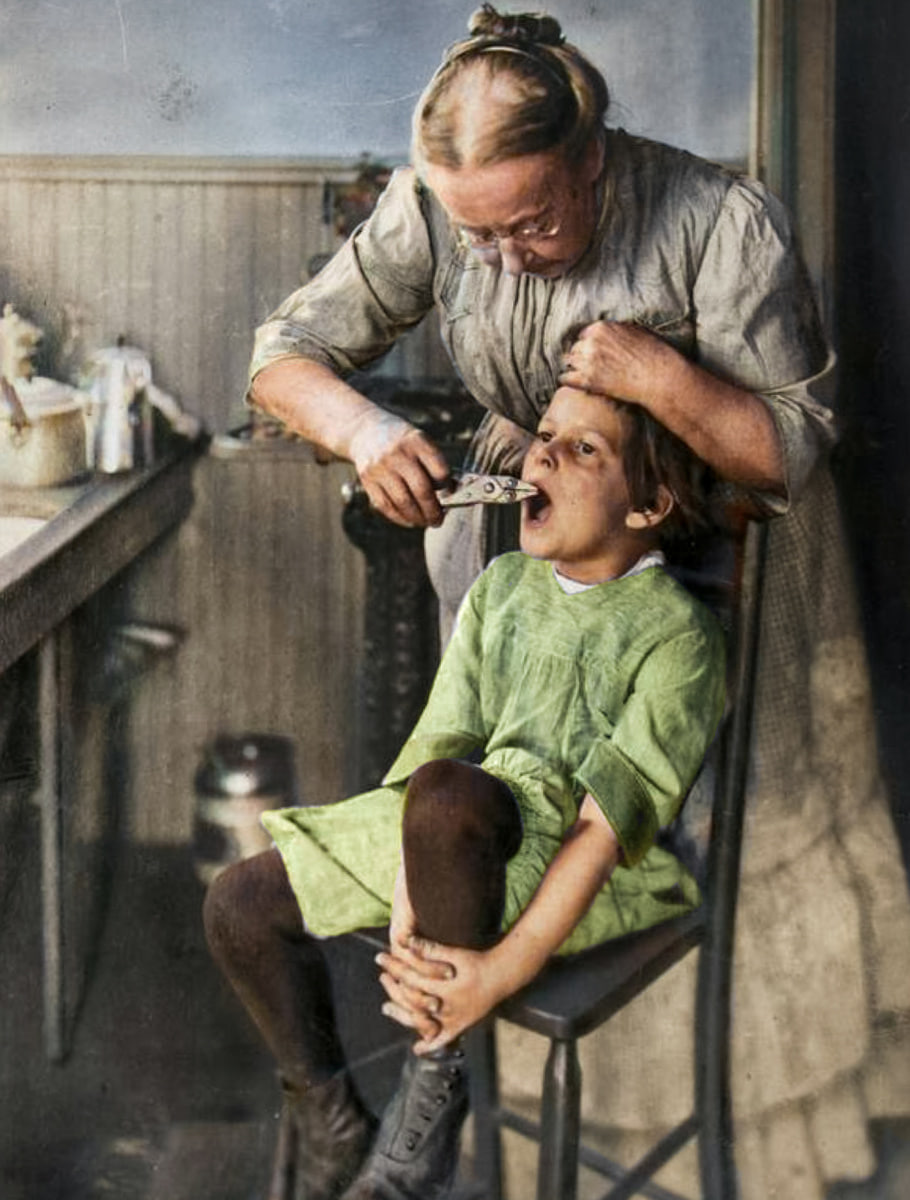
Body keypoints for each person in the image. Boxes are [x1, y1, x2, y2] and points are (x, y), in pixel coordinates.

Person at [245, 7, 910, 1197]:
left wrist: (659, 376)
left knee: (653, 841)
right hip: (535, 553)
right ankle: (451, 1116)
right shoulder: (439, 206)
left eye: (534, 220)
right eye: (474, 234)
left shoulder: (718, 222)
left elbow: (793, 458)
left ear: (593, 156)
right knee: (475, 807)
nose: (497, 258)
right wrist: (366, 427)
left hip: (697, 568)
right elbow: (283, 353)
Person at [204, 384, 727, 1200]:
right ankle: (333, 1120)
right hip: (454, 832)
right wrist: (412, 895)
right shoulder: (503, 587)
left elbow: (600, 831)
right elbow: (436, 756)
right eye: (545, 438)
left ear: (651, 502)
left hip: (580, 869)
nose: (541, 456)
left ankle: (438, 1074)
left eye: (583, 450)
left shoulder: (676, 635)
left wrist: (498, 977)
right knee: (238, 904)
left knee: (451, 798)